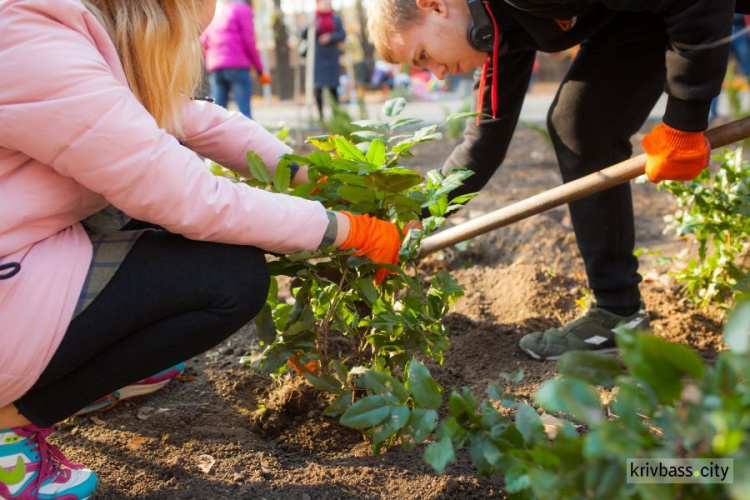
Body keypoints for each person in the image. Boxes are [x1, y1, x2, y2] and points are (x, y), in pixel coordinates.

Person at [0, 1, 403, 498]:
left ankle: (91, 366)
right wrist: (343, 230)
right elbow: (188, 197)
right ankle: (8, 430)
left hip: (19, 251)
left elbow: (192, 120)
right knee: (229, 278)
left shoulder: (62, 34)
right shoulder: (31, 44)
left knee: (158, 223)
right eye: (191, 31)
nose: (190, 48)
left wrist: (319, 175)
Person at [367, 0, 736, 360]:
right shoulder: (494, 31)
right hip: (638, 17)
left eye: (422, 57)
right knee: (581, 126)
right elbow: (482, 143)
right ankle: (617, 314)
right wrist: (408, 218)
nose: (437, 74)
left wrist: (684, 122)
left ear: (434, 5)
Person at [201, 0, 271, 118]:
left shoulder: (218, 12)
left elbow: (204, 41)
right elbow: (249, 41)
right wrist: (260, 69)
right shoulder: (243, 9)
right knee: (244, 112)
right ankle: (249, 136)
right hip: (237, 66)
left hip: (216, 68)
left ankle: (217, 136)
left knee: (218, 114)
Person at [301, 0, 346, 120]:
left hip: (331, 56)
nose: (326, 5)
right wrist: (308, 25)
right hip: (317, 57)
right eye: (324, 3)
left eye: (328, 3)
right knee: (318, 86)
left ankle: (336, 116)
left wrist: (330, 36)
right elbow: (303, 34)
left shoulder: (335, 18)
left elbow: (342, 35)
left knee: (333, 86)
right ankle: (320, 116)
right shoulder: (314, 18)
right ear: (318, 3)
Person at [710, 13, 750, 122]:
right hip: (720, 28)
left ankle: (745, 110)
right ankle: (711, 113)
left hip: (741, 29)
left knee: (747, 72)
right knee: (714, 73)